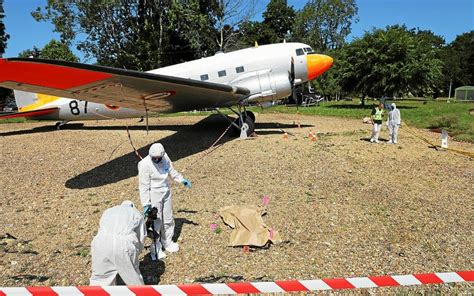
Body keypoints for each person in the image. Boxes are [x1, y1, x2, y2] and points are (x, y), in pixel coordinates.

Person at [138, 143, 192, 260]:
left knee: (168, 218)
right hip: (154, 194)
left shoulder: (165, 157)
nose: (156, 160)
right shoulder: (144, 164)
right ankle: (155, 247)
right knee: (156, 221)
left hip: (166, 191)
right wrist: (146, 203)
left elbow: (171, 171)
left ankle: (167, 241)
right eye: (154, 158)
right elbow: (143, 185)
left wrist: (182, 180)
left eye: (159, 158)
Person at [90, 200, 146, 286]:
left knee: (101, 278)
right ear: (132, 206)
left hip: (101, 242)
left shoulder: (108, 211)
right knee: (133, 279)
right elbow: (141, 237)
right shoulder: (136, 213)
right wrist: (137, 251)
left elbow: (101, 227)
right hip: (124, 245)